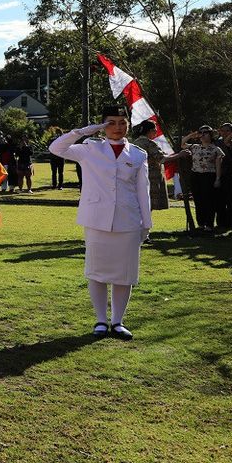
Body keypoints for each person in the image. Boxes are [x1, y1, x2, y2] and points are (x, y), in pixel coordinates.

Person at [49, 105, 151, 341]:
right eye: (111, 123)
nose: (117, 128)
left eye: (122, 123)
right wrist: (83, 131)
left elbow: (142, 191)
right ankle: (101, 321)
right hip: (97, 220)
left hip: (128, 220)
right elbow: (56, 148)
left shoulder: (137, 154)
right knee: (97, 272)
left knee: (124, 274)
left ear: (129, 125)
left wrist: (146, 223)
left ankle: (117, 321)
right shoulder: (89, 149)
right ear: (103, 126)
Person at [177, 126, 224, 232]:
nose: (203, 135)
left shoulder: (216, 149)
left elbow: (218, 165)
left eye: (205, 133)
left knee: (209, 200)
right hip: (196, 176)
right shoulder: (195, 147)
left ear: (211, 135)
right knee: (198, 200)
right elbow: (182, 144)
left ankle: (209, 224)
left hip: (209, 176)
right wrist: (191, 135)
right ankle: (201, 223)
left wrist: (217, 178)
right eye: (201, 132)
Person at [131, 120, 169, 211]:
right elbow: (161, 159)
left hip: (138, 177)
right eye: (155, 130)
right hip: (151, 177)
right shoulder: (149, 143)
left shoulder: (135, 143)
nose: (156, 132)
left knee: (141, 204)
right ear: (150, 131)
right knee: (148, 204)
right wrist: (179, 155)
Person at [216, 123, 232, 231]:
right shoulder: (217, 142)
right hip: (219, 173)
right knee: (219, 200)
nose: (224, 133)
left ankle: (230, 223)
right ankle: (220, 223)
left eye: (227, 131)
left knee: (231, 200)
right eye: (222, 130)